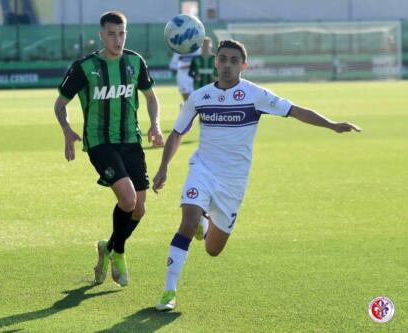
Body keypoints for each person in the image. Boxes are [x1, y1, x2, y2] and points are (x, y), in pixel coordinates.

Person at [152, 40, 361, 311]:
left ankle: (206, 223)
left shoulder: (254, 95)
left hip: (233, 182)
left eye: (234, 60)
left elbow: (295, 110)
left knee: (213, 250)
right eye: (223, 58)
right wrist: (163, 167)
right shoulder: (200, 97)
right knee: (187, 220)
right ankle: (169, 290)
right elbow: (177, 133)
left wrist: (331, 125)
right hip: (202, 170)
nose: (227, 64)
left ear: (243, 65)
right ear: (216, 61)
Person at [54, 11, 164, 287]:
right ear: (101, 35)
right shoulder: (85, 67)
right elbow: (60, 104)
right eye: (112, 34)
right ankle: (120, 253)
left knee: (139, 210)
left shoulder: (135, 62)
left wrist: (156, 125)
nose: (118, 39)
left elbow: (151, 97)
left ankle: (108, 247)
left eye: (122, 33)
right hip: (100, 143)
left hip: (131, 140)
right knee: (127, 201)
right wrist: (67, 131)